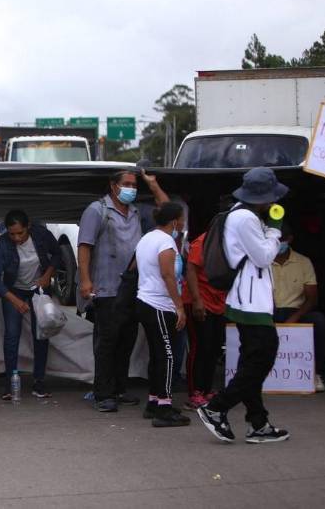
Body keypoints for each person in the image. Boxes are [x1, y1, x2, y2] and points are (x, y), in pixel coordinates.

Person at [198, 167, 290, 444]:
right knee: (261, 360)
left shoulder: (242, 214)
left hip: (248, 299)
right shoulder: (245, 218)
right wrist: (275, 232)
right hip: (251, 302)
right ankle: (216, 408)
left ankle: (258, 423)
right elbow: (263, 257)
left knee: (251, 363)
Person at [77, 169, 145, 412]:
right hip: (105, 289)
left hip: (131, 290)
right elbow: (84, 246)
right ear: (113, 185)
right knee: (107, 343)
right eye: (126, 184)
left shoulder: (136, 213)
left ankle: (119, 389)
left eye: (134, 185)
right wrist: (85, 281)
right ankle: (103, 394)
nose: (131, 188)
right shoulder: (97, 211)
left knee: (126, 341)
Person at [0, 209, 61, 400]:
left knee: (42, 333)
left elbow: (57, 254)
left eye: (20, 233)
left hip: (39, 288)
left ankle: (39, 381)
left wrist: (47, 275)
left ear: (28, 226)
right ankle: (10, 383)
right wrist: (14, 300)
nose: (16, 237)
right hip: (14, 290)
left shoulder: (41, 235)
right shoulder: (3, 244)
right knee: (12, 336)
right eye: (12, 234)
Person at [134, 202, 191, 427]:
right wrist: (179, 306)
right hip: (158, 304)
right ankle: (164, 409)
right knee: (167, 355)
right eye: (182, 218)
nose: (184, 223)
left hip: (146, 302)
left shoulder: (147, 238)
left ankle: (154, 401)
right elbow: (168, 275)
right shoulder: (166, 242)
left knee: (158, 354)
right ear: (175, 221)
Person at [271, 222, 325, 392]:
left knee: (320, 322)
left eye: (281, 240)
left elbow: (312, 298)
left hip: (296, 311)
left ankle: (316, 373)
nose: (278, 244)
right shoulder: (263, 261)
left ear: (289, 239)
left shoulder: (303, 262)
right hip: (269, 310)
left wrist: (294, 318)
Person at [182, 231, 228, 411]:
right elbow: (191, 270)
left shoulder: (231, 241)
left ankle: (207, 390)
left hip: (219, 301)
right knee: (199, 346)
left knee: (215, 347)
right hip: (199, 300)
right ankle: (195, 393)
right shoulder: (203, 241)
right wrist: (197, 301)